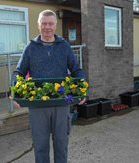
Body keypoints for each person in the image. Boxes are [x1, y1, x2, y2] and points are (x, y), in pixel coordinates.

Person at [12, 10, 85, 163]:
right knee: (40, 147)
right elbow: (19, 72)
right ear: (39, 25)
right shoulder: (30, 47)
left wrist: (82, 90)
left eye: (50, 23)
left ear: (55, 25)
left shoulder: (64, 46)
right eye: (44, 23)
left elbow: (76, 70)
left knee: (61, 145)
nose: (47, 27)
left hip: (61, 103)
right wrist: (15, 93)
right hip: (38, 105)